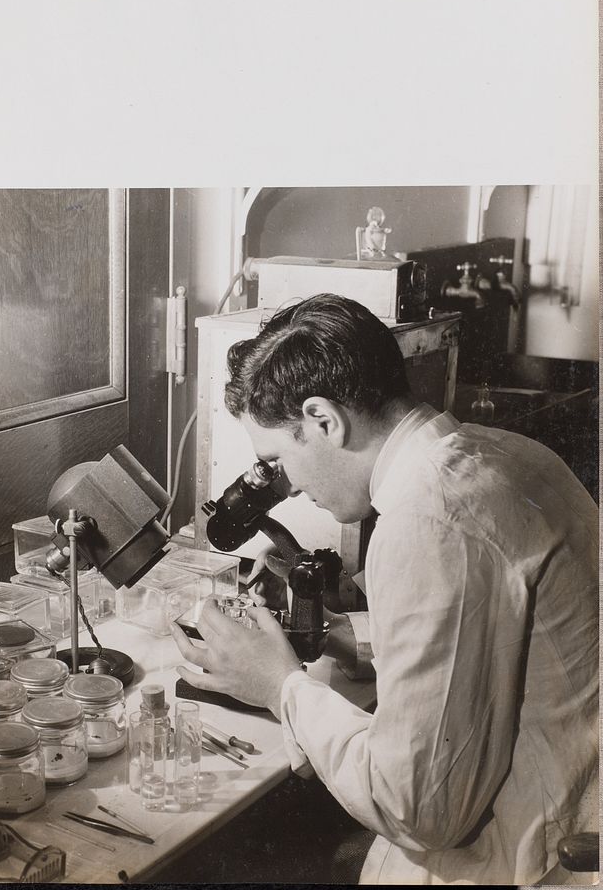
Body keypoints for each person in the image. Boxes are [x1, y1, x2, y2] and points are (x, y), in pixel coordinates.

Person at [170, 293, 599, 886]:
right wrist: (347, 636)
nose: (288, 489)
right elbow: (497, 637)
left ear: (324, 419)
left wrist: (279, 685)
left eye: (278, 460)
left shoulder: (427, 521)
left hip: (544, 859)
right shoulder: (508, 454)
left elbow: (419, 808)